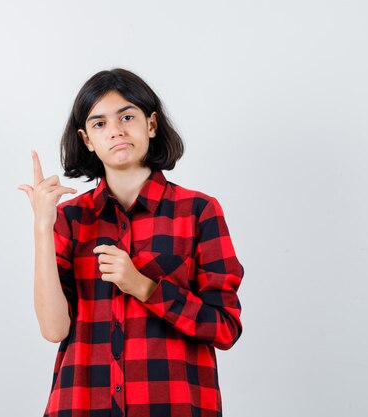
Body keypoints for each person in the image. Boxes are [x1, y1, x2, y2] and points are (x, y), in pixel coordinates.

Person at [17, 68, 245, 417]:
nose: (116, 131)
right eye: (99, 124)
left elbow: (224, 328)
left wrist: (145, 287)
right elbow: (54, 329)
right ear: (87, 140)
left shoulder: (198, 211)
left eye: (127, 116)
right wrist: (42, 227)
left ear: (151, 124)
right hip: (81, 405)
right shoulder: (70, 219)